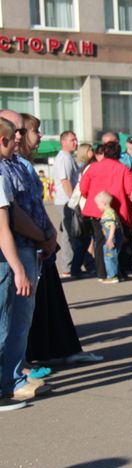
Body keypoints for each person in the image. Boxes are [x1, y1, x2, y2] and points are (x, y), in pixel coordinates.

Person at [0, 110, 55, 401]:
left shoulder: (20, 164)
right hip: (16, 248)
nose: (20, 136)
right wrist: (41, 235)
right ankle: (9, 380)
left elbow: (35, 202)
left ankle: (15, 373)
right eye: (15, 131)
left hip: (31, 247)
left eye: (22, 130)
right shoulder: (2, 167)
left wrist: (50, 234)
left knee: (21, 320)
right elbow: (12, 216)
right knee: (8, 320)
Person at [0, 117, 33, 411]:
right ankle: (3, 387)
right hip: (4, 260)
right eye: (13, 138)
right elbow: (3, 227)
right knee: (3, 326)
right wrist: (19, 269)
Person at [78, 139, 132, 281]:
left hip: (96, 209)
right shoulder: (123, 169)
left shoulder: (93, 168)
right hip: (117, 211)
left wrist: (92, 197)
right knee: (119, 241)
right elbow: (130, 191)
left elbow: (83, 189)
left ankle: (101, 273)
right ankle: (118, 272)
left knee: (99, 241)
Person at [52, 130, 83, 277]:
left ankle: (70, 265)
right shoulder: (63, 157)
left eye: (76, 139)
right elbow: (65, 181)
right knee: (70, 234)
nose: (75, 142)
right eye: (72, 140)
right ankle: (67, 266)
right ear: (63, 142)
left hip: (67, 200)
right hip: (65, 201)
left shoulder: (68, 157)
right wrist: (73, 200)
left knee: (70, 232)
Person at [95, 191, 120, 284]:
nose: (97, 207)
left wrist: (109, 240)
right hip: (112, 237)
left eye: (98, 204)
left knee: (109, 257)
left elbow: (112, 226)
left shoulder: (107, 214)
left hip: (110, 238)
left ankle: (112, 276)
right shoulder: (112, 211)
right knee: (113, 256)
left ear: (104, 203)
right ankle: (115, 275)